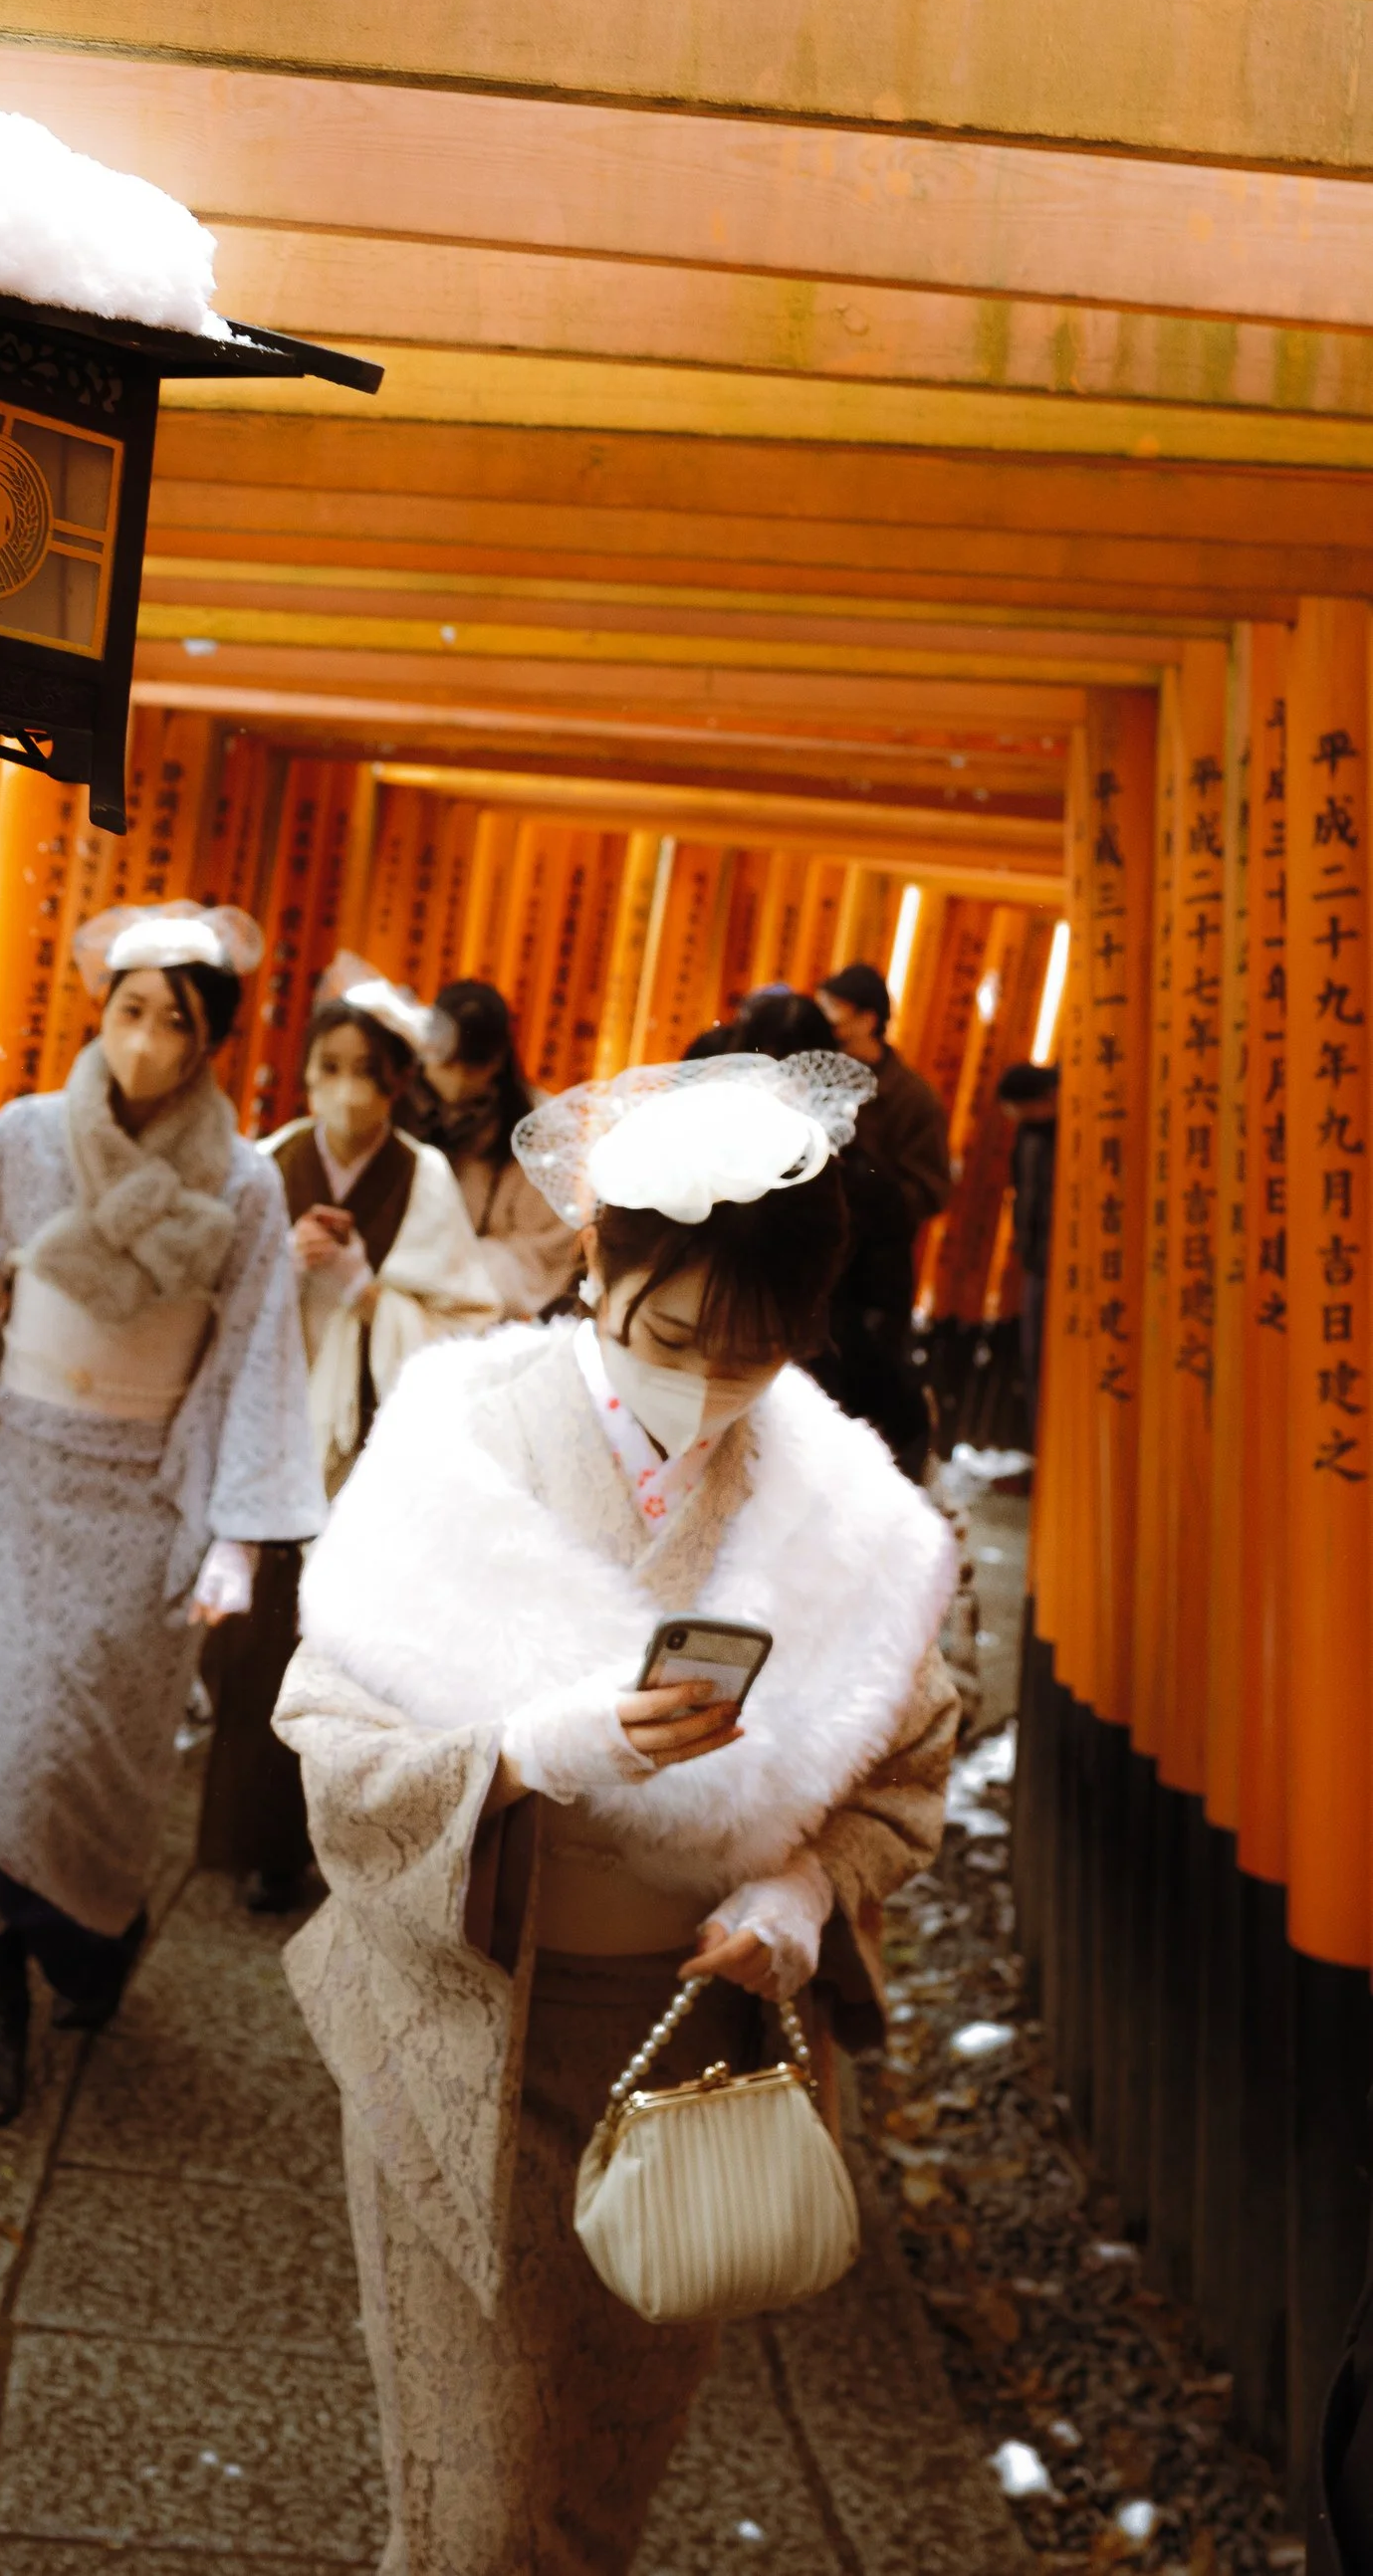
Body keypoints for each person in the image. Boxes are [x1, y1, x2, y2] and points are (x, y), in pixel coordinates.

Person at [274, 1051, 962, 2575]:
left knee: (591, 2495)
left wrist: (798, 1895)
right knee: (481, 2500)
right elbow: (327, 1736)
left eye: (756, 1357)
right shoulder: (463, 1436)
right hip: (474, 2024)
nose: (706, 1389)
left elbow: (905, 1770)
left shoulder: (839, 1505)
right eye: (669, 1335)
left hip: (691, 2047)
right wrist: (536, 1745)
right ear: (597, 1257)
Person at [0, 900, 324, 2124]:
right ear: (101, 1013)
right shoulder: (27, 1137)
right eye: (127, 1011)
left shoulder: (242, 1182)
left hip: (148, 1497)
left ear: (207, 1042)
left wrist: (237, 1534)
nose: (142, 1038)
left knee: (108, 1756)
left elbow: (250, 1358)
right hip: (27, 1478)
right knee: (13, 1745)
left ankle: (94, 1932)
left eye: (170, 1020)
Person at [200, 959, 498, 1914]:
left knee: (351, 1648)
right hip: (274, 1427)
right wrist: (282, 1270)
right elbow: (212, 1296)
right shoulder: (272, 1157)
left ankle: (342, 1837)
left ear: (398, 1083)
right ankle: (259, 1846)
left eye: (365, 1070)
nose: (344, 1090)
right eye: (327, 1067)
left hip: (373, 1449)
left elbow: (465, 1320)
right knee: (255, 1650)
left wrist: (371, 1292)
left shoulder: (426, 1177)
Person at [734, 984, 933, 1475]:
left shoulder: (859, 1176)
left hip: (822, 1387)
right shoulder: (722, 1155)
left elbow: (877, 1309)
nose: (773, 1086)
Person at [419, 977, 582, 1322]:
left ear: (499, 1061)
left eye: (473, 1065)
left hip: (491, 1315)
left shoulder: (543, 1130)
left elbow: (543, 1254)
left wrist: (447, 1272)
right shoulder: (395, 1105)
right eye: (447, 1063)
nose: (458, 1078)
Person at [816, 960, 954, 1241]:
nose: (825, 1024)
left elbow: (931, 1192)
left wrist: (865, 1184)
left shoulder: (913, 1099)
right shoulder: (815, 1075)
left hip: (870, 1258)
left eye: (833, 1013)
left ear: (868, 1021)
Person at [997, 1059, 1059, 1448]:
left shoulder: (1073, 1128)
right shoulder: (1031, 1132)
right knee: (1036, 1360)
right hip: (1039, 1263)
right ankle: (1044, 1454)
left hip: (1068, 1266)